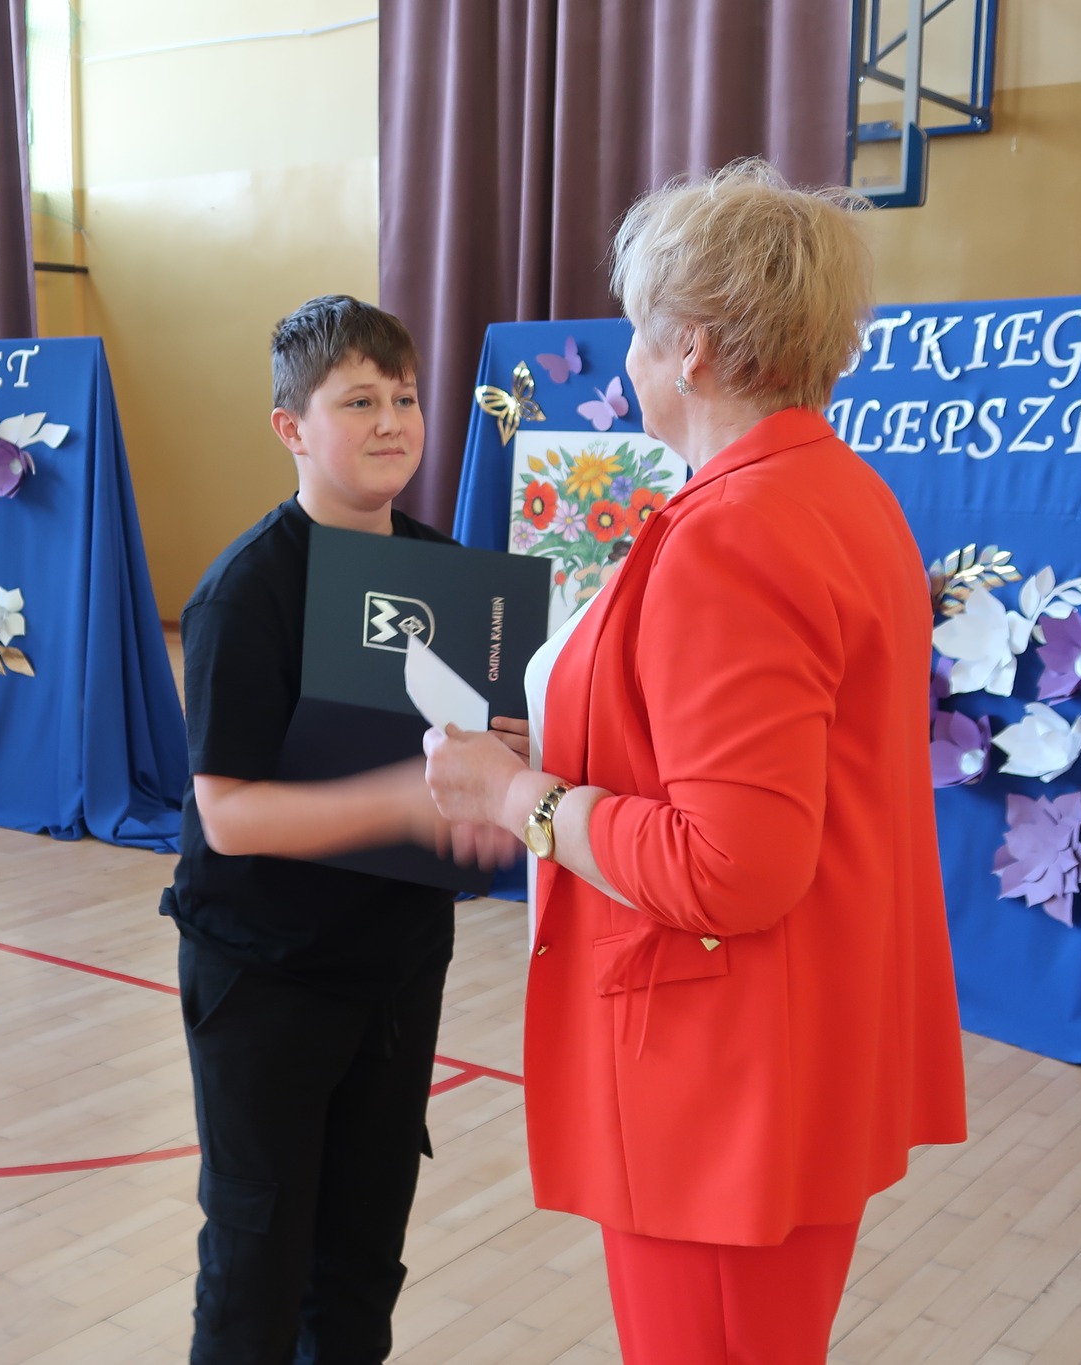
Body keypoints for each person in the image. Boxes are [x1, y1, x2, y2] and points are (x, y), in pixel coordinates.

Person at [422, 160, 968, 1364]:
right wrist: (562, 747)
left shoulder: (731, 533)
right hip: (792, 1046)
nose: (624, 359)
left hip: (722, 1077)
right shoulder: (836, 495)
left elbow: (731, 863)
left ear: (693, 351)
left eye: (635, 331)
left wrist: (515, 798)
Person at [161, 294, 513, 1364]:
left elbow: (469, 748)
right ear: (292, 429)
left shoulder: (446, 572)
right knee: (256, 1267)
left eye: (404, 396)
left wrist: (509, 753)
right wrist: (400, 800)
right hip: (265, 977)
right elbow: (228, 815)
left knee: (360, 1267)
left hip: (396, 968)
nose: (391, 420)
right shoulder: (244, 592)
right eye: (358, 401)